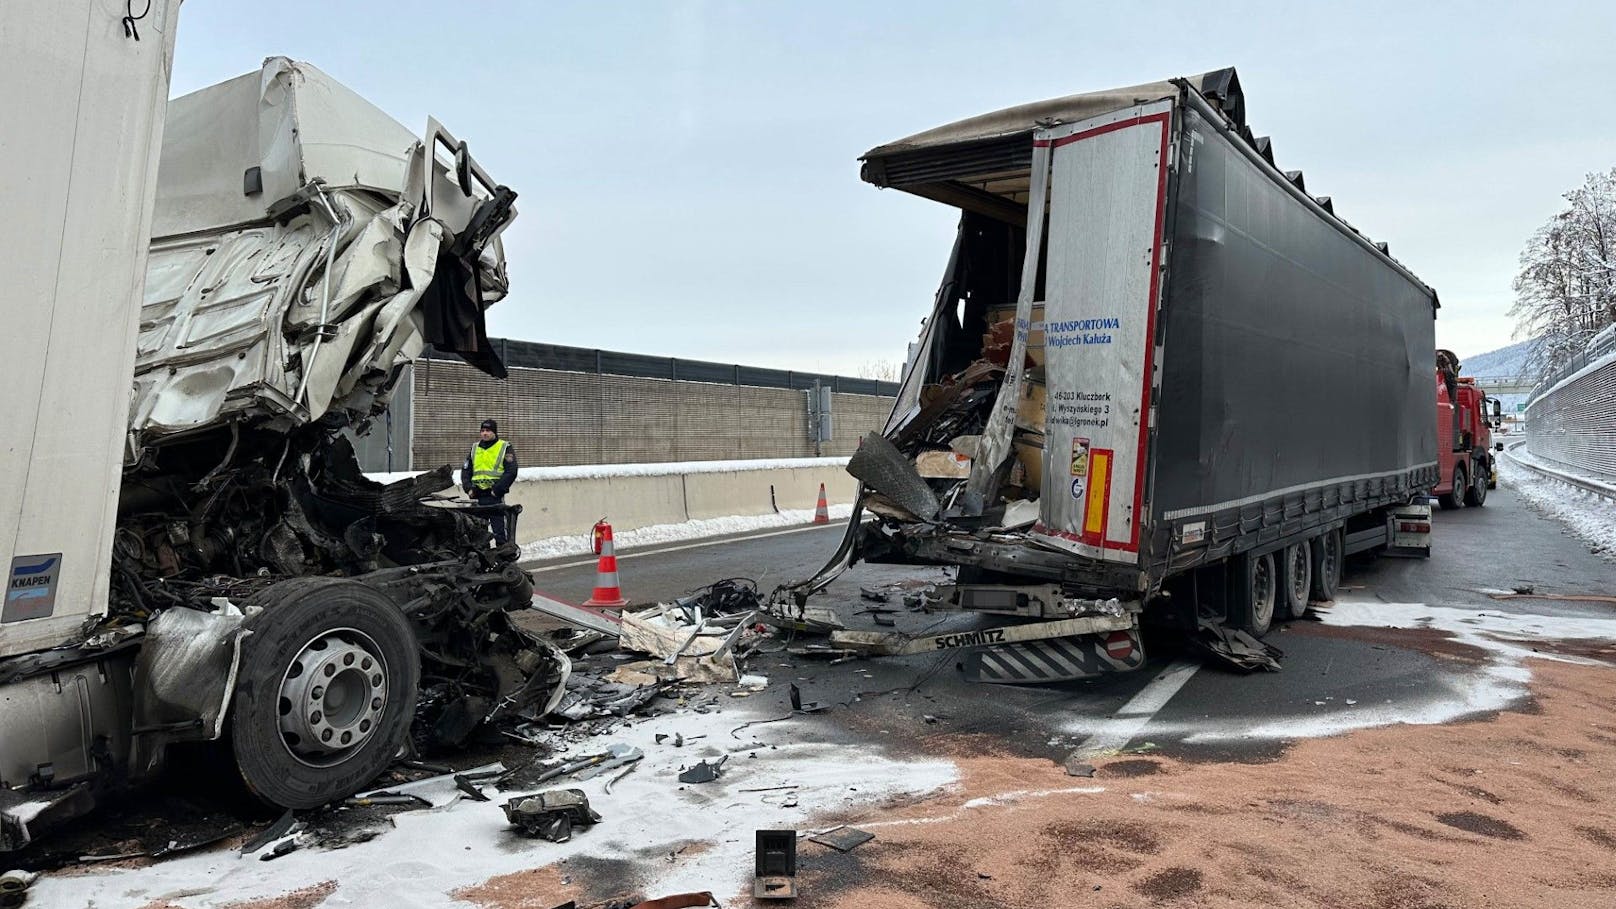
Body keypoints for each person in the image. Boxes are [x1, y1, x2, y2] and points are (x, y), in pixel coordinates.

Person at [462, 419, 517, 545]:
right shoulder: (475, 448)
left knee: (499, 533)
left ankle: (503, 562)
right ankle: (484, 561)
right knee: (479, 534)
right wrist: (468, 488)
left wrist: (496, 490)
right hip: (477, 496)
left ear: (494, 432)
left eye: (488, 431)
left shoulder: (504, 447)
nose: (484, 433)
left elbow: (511, 471)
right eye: (482, 431)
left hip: (494, 497)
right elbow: (466, 470)